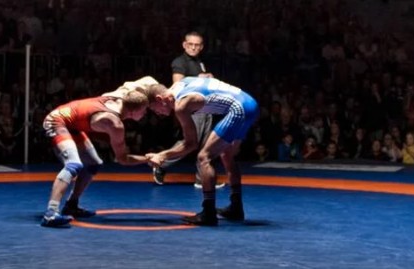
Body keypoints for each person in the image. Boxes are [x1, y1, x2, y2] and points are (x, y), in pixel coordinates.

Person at [147, 76, 258, 226]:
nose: (158, 114)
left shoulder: (181, 105)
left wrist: (162, 155)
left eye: (155, 109)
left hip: (239, 109)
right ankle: (236, 207)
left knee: (203, 157)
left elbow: (191, 144)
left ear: (160, 99)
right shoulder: (181, 83)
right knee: (227, 154)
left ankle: (208, 212)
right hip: (250, 104)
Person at [40, 91, 153, 228]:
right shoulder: (114, 124)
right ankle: (50, 213)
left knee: (94, 164)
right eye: (144, 110)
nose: (145, 113)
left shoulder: (118, 98)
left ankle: (71, 205)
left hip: (72, 125)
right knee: (73, 164)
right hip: (57, 121)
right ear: (133, 111)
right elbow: (122, 159)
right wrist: (148, 159)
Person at [153, 32, 217, 188]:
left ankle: (202, 178)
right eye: (191, 44)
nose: (194, 47)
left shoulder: (199, 62)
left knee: (204, 144)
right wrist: (200, 79)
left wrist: (208, 78)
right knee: (191, 143)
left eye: (197, 45)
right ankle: (161, 163)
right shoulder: (180, 62)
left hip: (204, 106)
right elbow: (177, 85)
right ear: (184, 45)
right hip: (191, 109)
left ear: (201, 47)